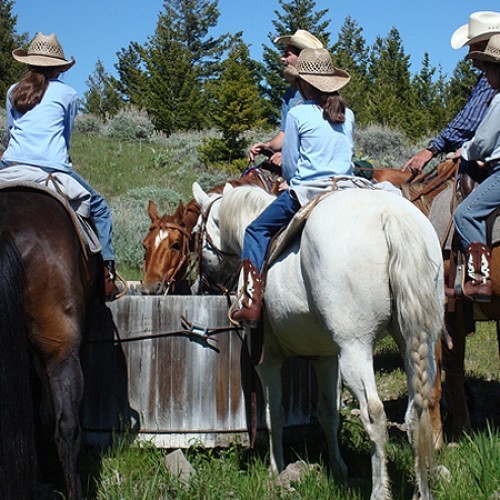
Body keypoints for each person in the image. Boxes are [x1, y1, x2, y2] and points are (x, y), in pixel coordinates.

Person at [232, 48, 353, 325]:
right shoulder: (348, 115)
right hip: (346, 188)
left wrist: (290, 178)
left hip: (309, 192)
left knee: (256, 229)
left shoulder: (298, 114)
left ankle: (250, 300)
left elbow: (290, 164)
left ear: (303, 83)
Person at [1, 32, 120, 300]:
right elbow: (65, 136)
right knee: (100, 207)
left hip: (11, 165)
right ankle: (106, 275)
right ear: (59, 67)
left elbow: (11, 130)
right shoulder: (67, 93)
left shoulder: (12, 91)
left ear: (28, 63)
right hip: (51, 168)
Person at [404, 11, 500, 175]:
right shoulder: (487, 79)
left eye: (473, 47)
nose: (470, 56)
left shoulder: (491, 81)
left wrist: (433, 148)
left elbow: (469, 121)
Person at [452, 35, 500, 302]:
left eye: (489, 68)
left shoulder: (498, 101)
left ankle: (480, 280)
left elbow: (482, 143)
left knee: (466, 213)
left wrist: (464, 151)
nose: (486, 74)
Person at [248, 29, 323, 170]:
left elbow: (322, 137)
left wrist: (289, 156)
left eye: (287, 54)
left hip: (315, 164)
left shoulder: (322, 92)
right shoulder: (290, 93)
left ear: (302, 58)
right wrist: (267, 146)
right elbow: (284, 135)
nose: (283, 58)